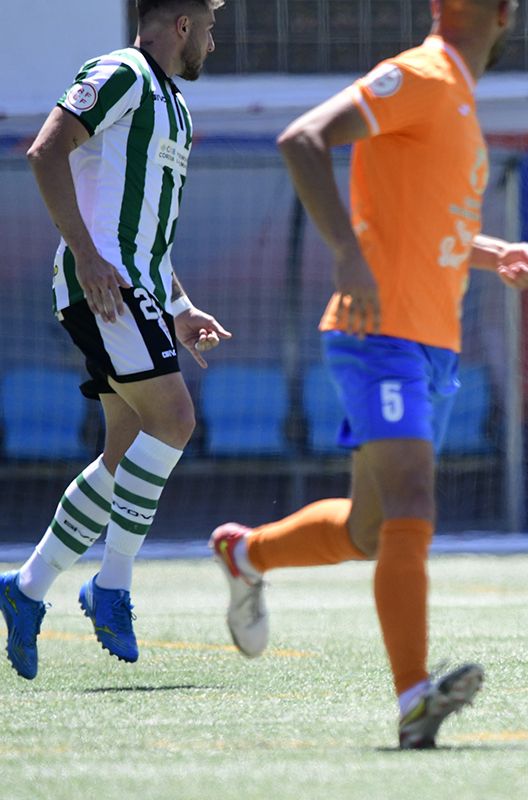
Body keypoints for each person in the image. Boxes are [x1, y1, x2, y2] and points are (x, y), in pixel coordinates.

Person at [208, 0, 528, 750]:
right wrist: (346, 255)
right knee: (414, 499)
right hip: (380, 338)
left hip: (431, 345)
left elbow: (428, 225)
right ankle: (413, 699)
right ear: (507, 14)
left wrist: (496, 255)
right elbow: (302, 140)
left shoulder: (452, 90)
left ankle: (246, 553)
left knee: (370, 530)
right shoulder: (421, 74)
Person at [0, 0, 230, 681]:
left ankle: (28, 588)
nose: (213, 44)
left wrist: (181, 307)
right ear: (182, 25)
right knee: (177, 418)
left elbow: (149, 236)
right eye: (210, 29)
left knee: (126, 450)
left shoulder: (177, 108)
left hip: (139, 293)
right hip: (103, 290)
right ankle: (113, 585)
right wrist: (86, 254)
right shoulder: (121, 73)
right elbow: (45, 151)